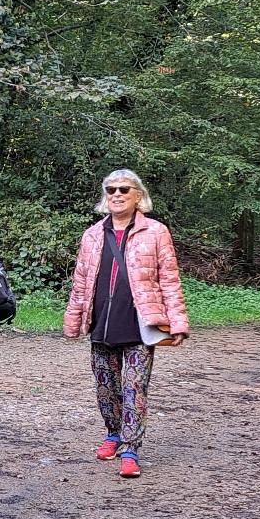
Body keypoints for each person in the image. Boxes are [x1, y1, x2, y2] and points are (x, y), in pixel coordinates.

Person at [62, 169, 189, 479]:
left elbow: (170, 280)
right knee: (106, 388)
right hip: (101, 324)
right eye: (111, 190)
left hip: (139, 325)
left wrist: (178, 322)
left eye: (124, 190)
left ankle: (130, 448)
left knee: (134, 388)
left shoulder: (156, 232)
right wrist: (73, 318)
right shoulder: (92, 235)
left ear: (138, 196)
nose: (116, 195)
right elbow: (81, 282)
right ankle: (113, 433)